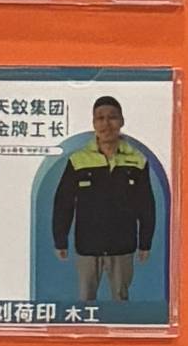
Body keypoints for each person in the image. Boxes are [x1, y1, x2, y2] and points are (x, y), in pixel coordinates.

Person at [48, 93, 158, 316]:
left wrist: (145, 242)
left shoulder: (137, 160)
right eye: (100, 118)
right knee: (86, 302)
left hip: (123, 246)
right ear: (93, 123)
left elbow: (146, 204)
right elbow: (63, 202)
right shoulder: (78, 160)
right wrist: (60, 239)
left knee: (121, 301)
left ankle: (121, 336)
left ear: (122, 121)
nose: (106, 124)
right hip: (87, 246)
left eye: (112, 117)